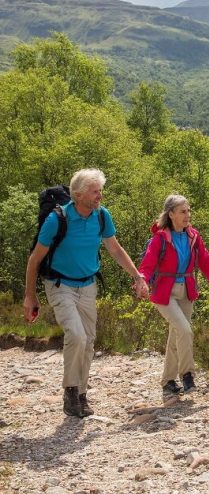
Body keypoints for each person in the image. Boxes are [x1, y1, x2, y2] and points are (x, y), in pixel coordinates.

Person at [23, 168, 149, 418]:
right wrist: (30, 296)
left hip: (88, 285)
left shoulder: (101, 216)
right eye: (94, 191)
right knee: (77, 336)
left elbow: (115, 249)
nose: (99, 196)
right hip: (60, 285)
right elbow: (34, 260)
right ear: (78, 195)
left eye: (100, 190)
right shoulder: (57, 220)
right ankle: (70, 392)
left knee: (89, 341)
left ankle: (81, 393)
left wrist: (137, 276)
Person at [137, 194, 209, 397]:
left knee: (177, 334)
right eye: (183, 212)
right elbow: (148, 265)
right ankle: (187, 374)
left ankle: (168, 381)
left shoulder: (193, 236)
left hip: (186, 291)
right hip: (164, 292)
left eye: (188, 211)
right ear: (171, 215)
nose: (188, 215)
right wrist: (141, 281)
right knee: (184, 330)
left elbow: (206, 262)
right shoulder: (160, 238)